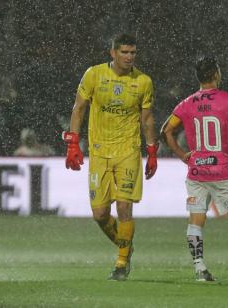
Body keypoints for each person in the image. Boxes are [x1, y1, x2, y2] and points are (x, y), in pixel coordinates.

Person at [62, 33, 158, 281]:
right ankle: (125, 245)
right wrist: (73, 142)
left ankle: (122, 263)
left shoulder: (144, 81)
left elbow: (146, 118)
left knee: (124, 207)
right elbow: (79, 108)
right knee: (100, 214)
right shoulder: (93, 75)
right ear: (113, 53)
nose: (129, 57)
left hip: (127, 150)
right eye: (124, 52)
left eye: (133, 53)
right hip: (99, 151)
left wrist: (152, 150)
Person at [161, 56, 228, 282]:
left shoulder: (186, 104)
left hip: (197, 172)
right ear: (216, 74)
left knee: (196, 220)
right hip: (224, 171)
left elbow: (166, 130)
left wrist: (182, 155)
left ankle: (200, 270)